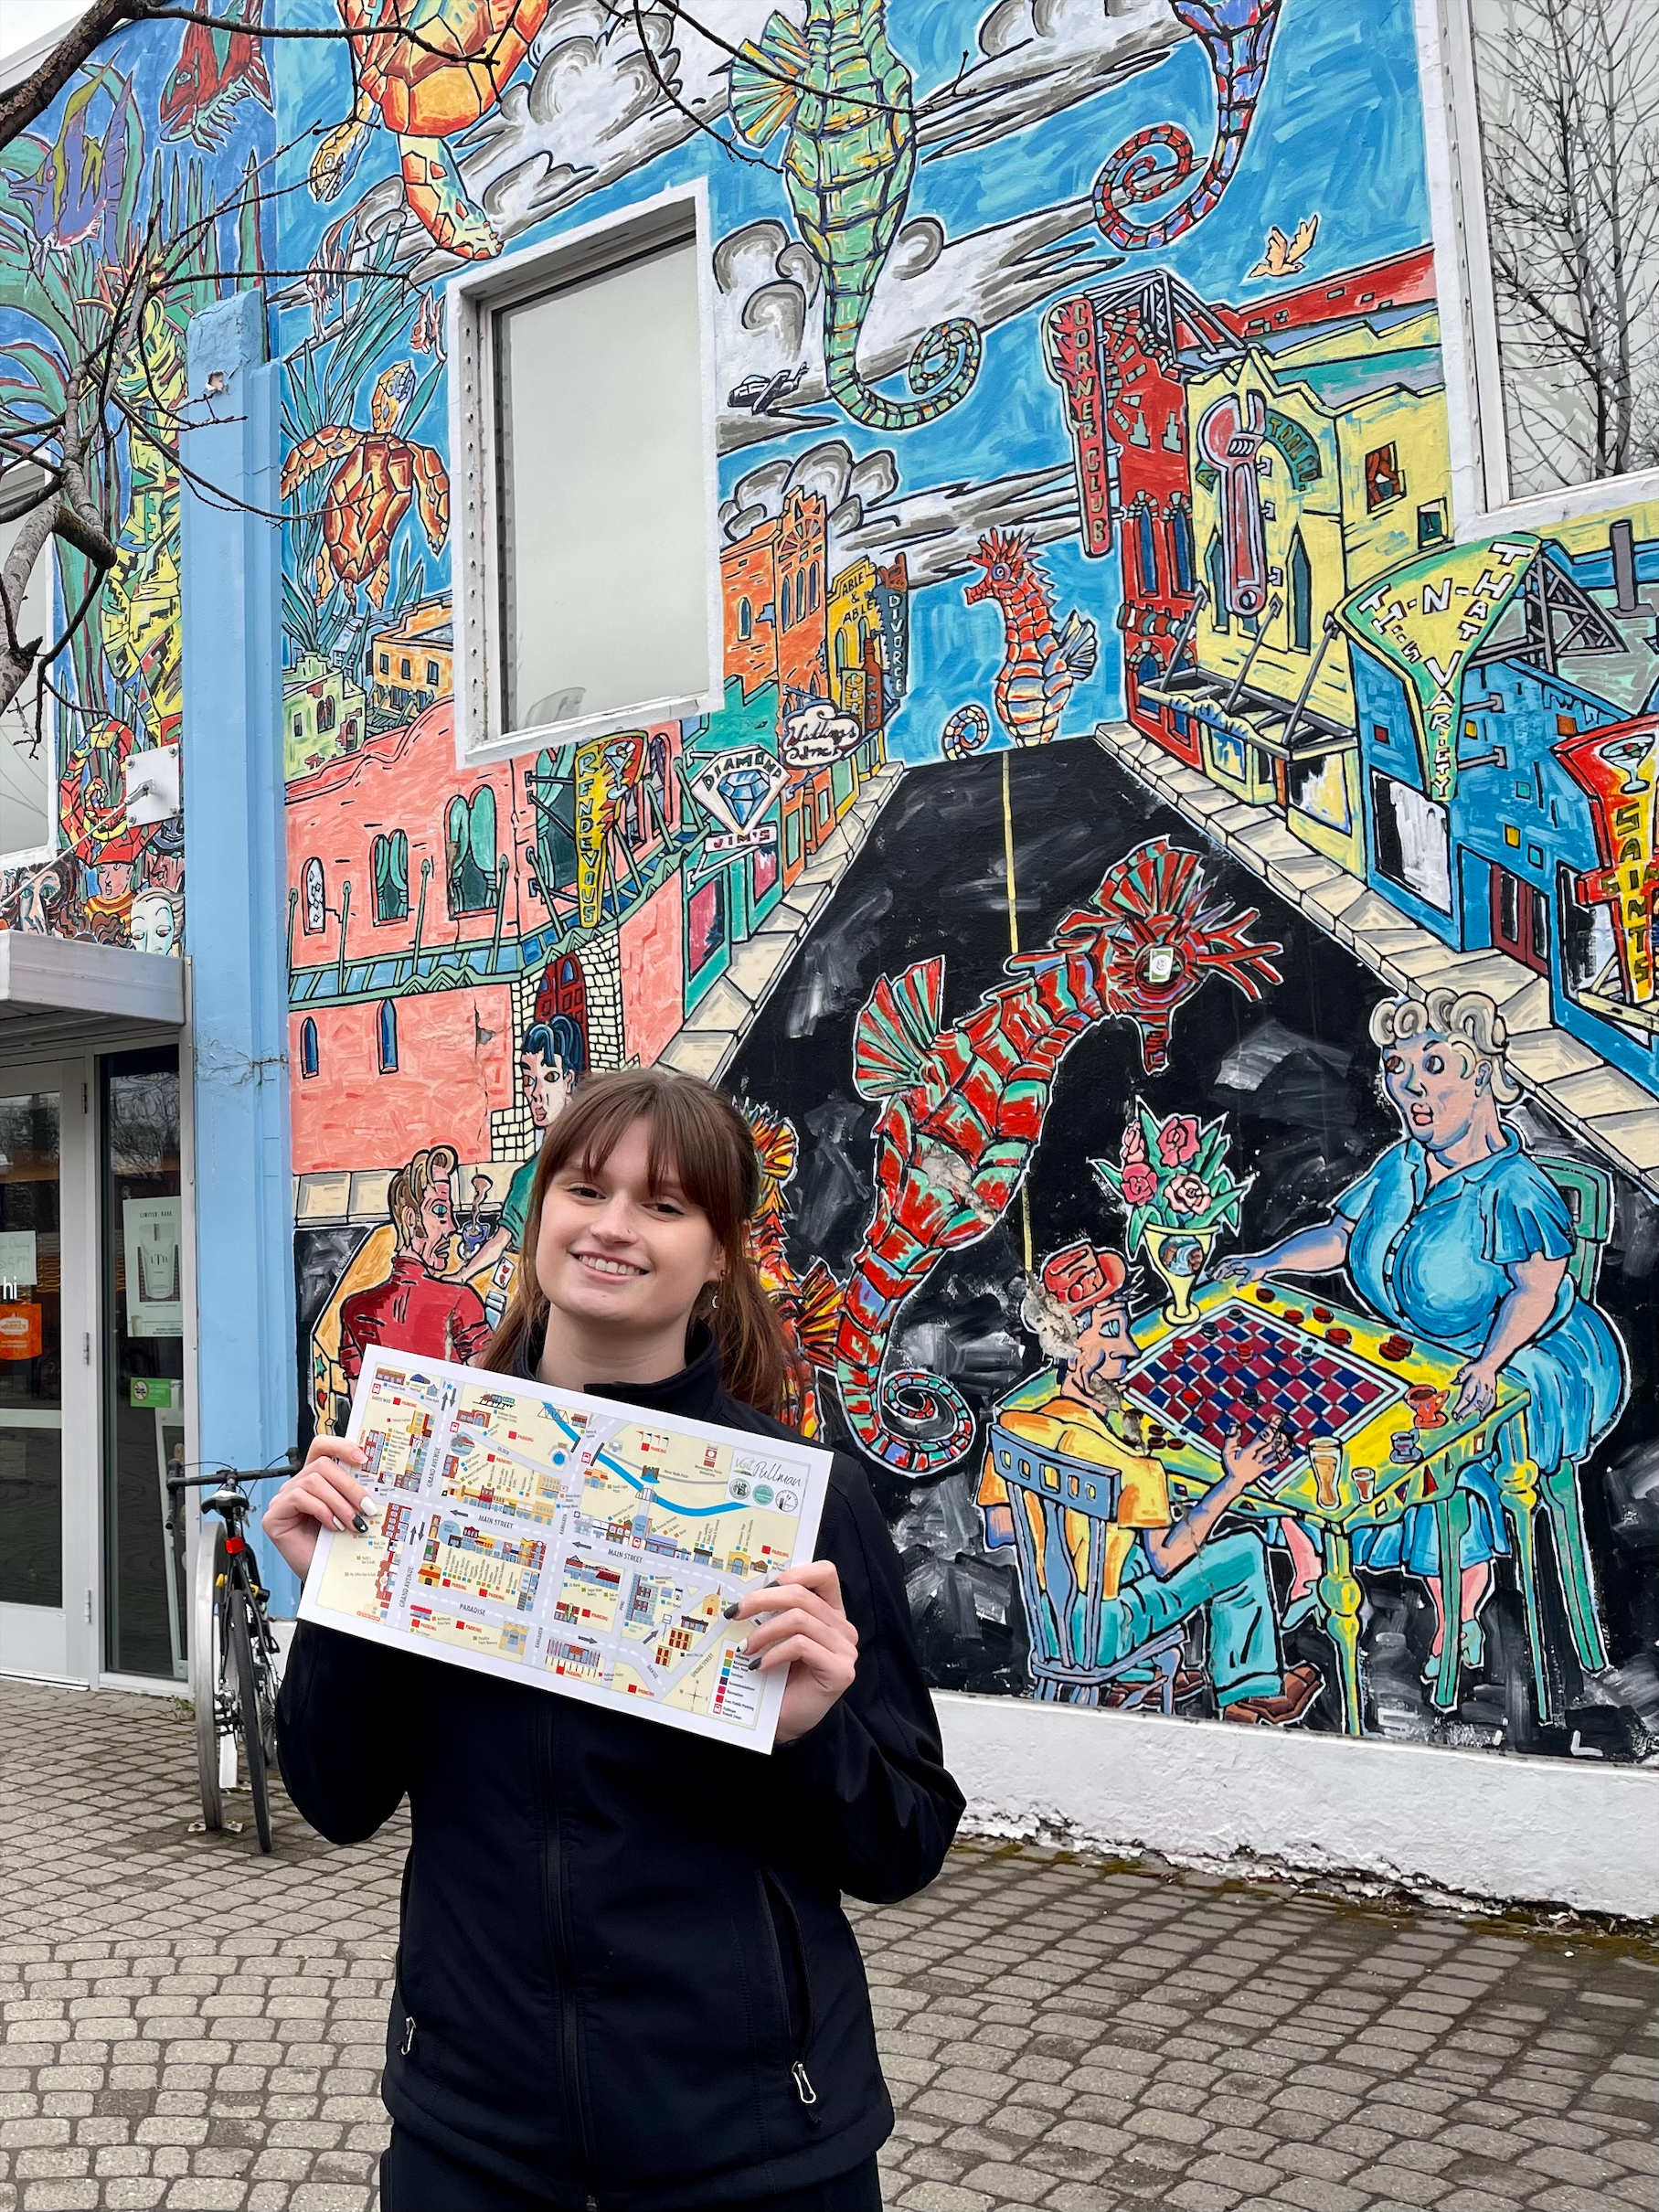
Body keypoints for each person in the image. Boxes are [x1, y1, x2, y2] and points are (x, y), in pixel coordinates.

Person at [267, 1068, 961, 2212]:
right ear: (539, 1213)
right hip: (473, 2138)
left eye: (665, 1204)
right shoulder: (431, 1471)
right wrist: (339, 1603)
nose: (613, 1226)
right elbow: (336, 1799)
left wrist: (812, 1734)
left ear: (723, 1251)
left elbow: (906, 1840)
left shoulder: (798, 1508)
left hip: (751, 2148)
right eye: (583, 1188)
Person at [1219, 987, 1627, 1676]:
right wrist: (1266, 1262)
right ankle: (1313, 1568)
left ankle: (1458, 1613)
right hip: (1418, 1349)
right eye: (1397, 1067)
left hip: (1526, 1357)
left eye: (1434, 1065)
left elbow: (1535, 1291)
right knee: (1299, 1405)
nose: (1411, 1086)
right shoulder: (1399, 1165)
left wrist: (1491, 1362)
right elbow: (1340, 1236)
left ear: (1483, 1078)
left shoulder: (1514, 1188)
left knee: (1445, 1449)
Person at [979, 1240, 1322, 1725]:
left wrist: (1069, 1519)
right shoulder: (1132, 1465)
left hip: (1053, 1625)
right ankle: (1251, 1690)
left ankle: (1139, 1676)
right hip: (1103, 1634)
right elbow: (1166, 1560)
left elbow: (999, 1528)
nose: (1131, 1347)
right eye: (1113, 1332)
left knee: (1112, 1548)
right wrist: (1234, 1482)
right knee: (1242, 1550)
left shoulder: (1015, 1428)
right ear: (1075, 1346)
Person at [337, 1143, 493, 1383]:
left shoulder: (355, 1311)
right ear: (411, 1220)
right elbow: (493, 1394)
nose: (452, 1227)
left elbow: (361, 1407)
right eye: (440, 1211)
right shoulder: (460, 1302)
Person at [463, 1017, 587, 1316]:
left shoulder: (542, 1174)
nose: (537, 1093)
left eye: (551, 1076)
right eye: (530, 1080)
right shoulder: (533, 1171)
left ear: (570, 1080)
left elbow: (499, 1243)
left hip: (535, 1301)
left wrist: (459, 1277)